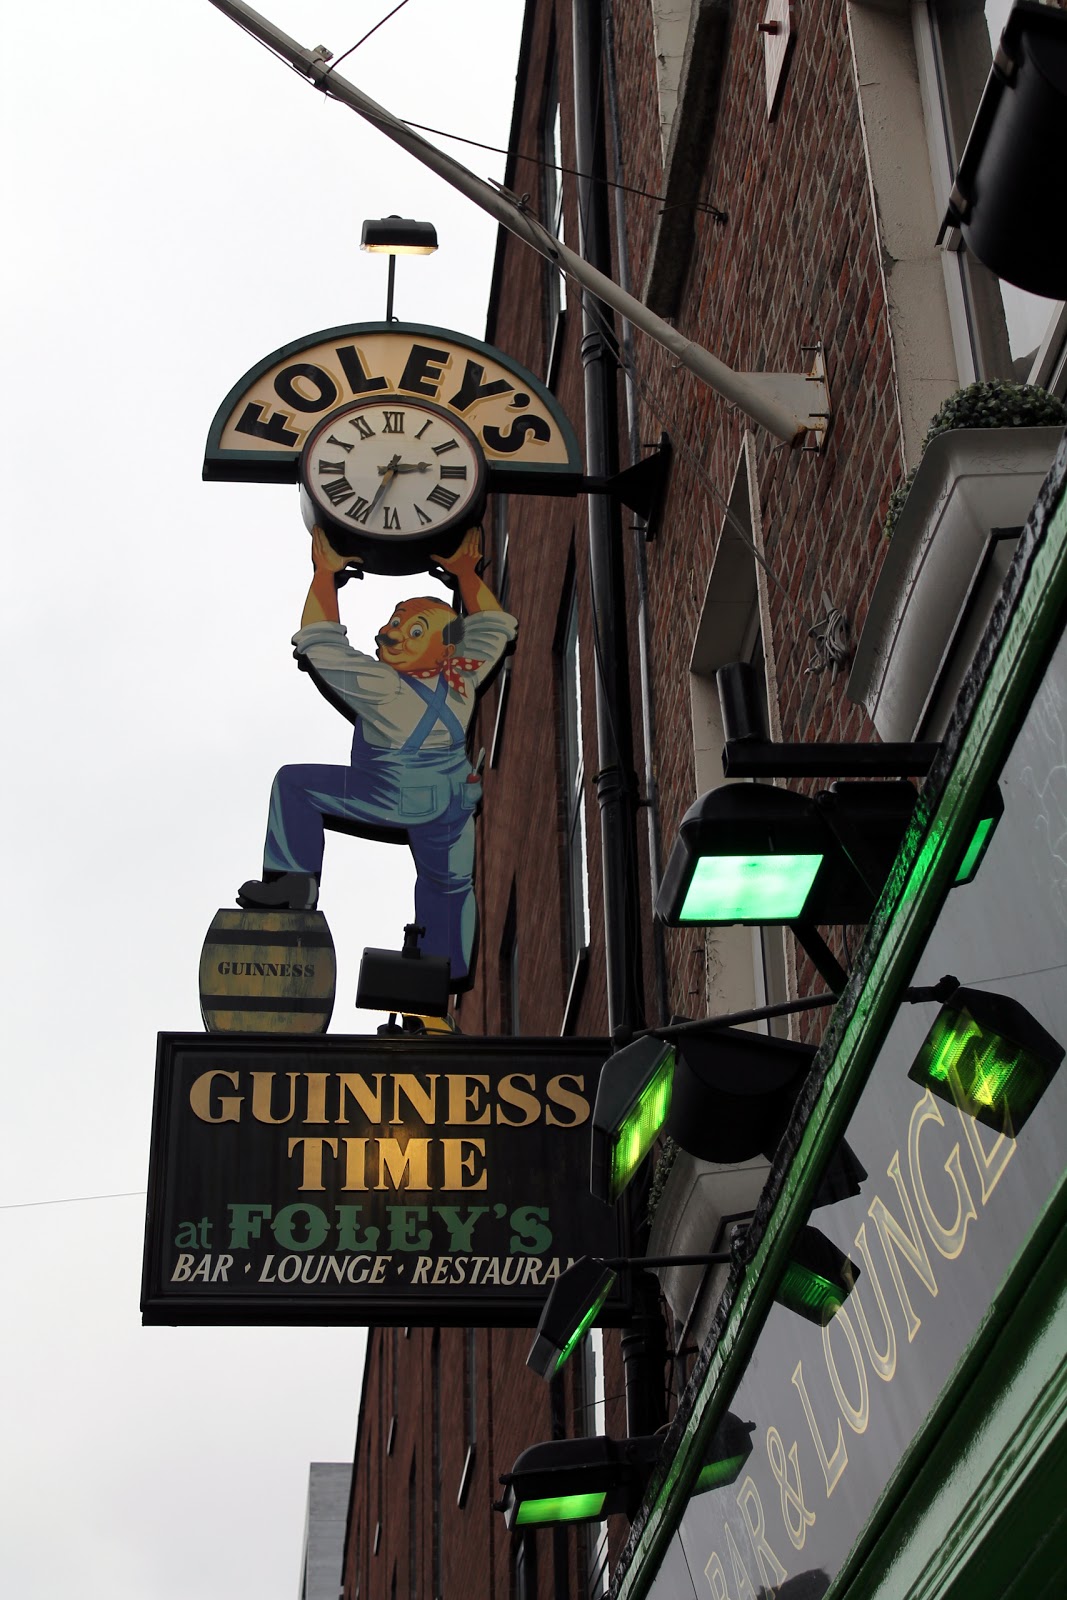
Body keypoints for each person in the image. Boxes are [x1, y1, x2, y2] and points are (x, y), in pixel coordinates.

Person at [238, 523, 517, 989]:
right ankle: (446, 967)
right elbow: (492, 627)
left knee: (295, 785)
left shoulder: (383, 688)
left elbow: (320, 643)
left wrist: (325, 575)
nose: (392, 633)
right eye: (394, 621)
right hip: (452, 805)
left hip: (393, 794)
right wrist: (467, 575)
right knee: (448, 887)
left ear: (443, 647)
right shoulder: (463, 678)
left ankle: (295, 881)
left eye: (413, 629)